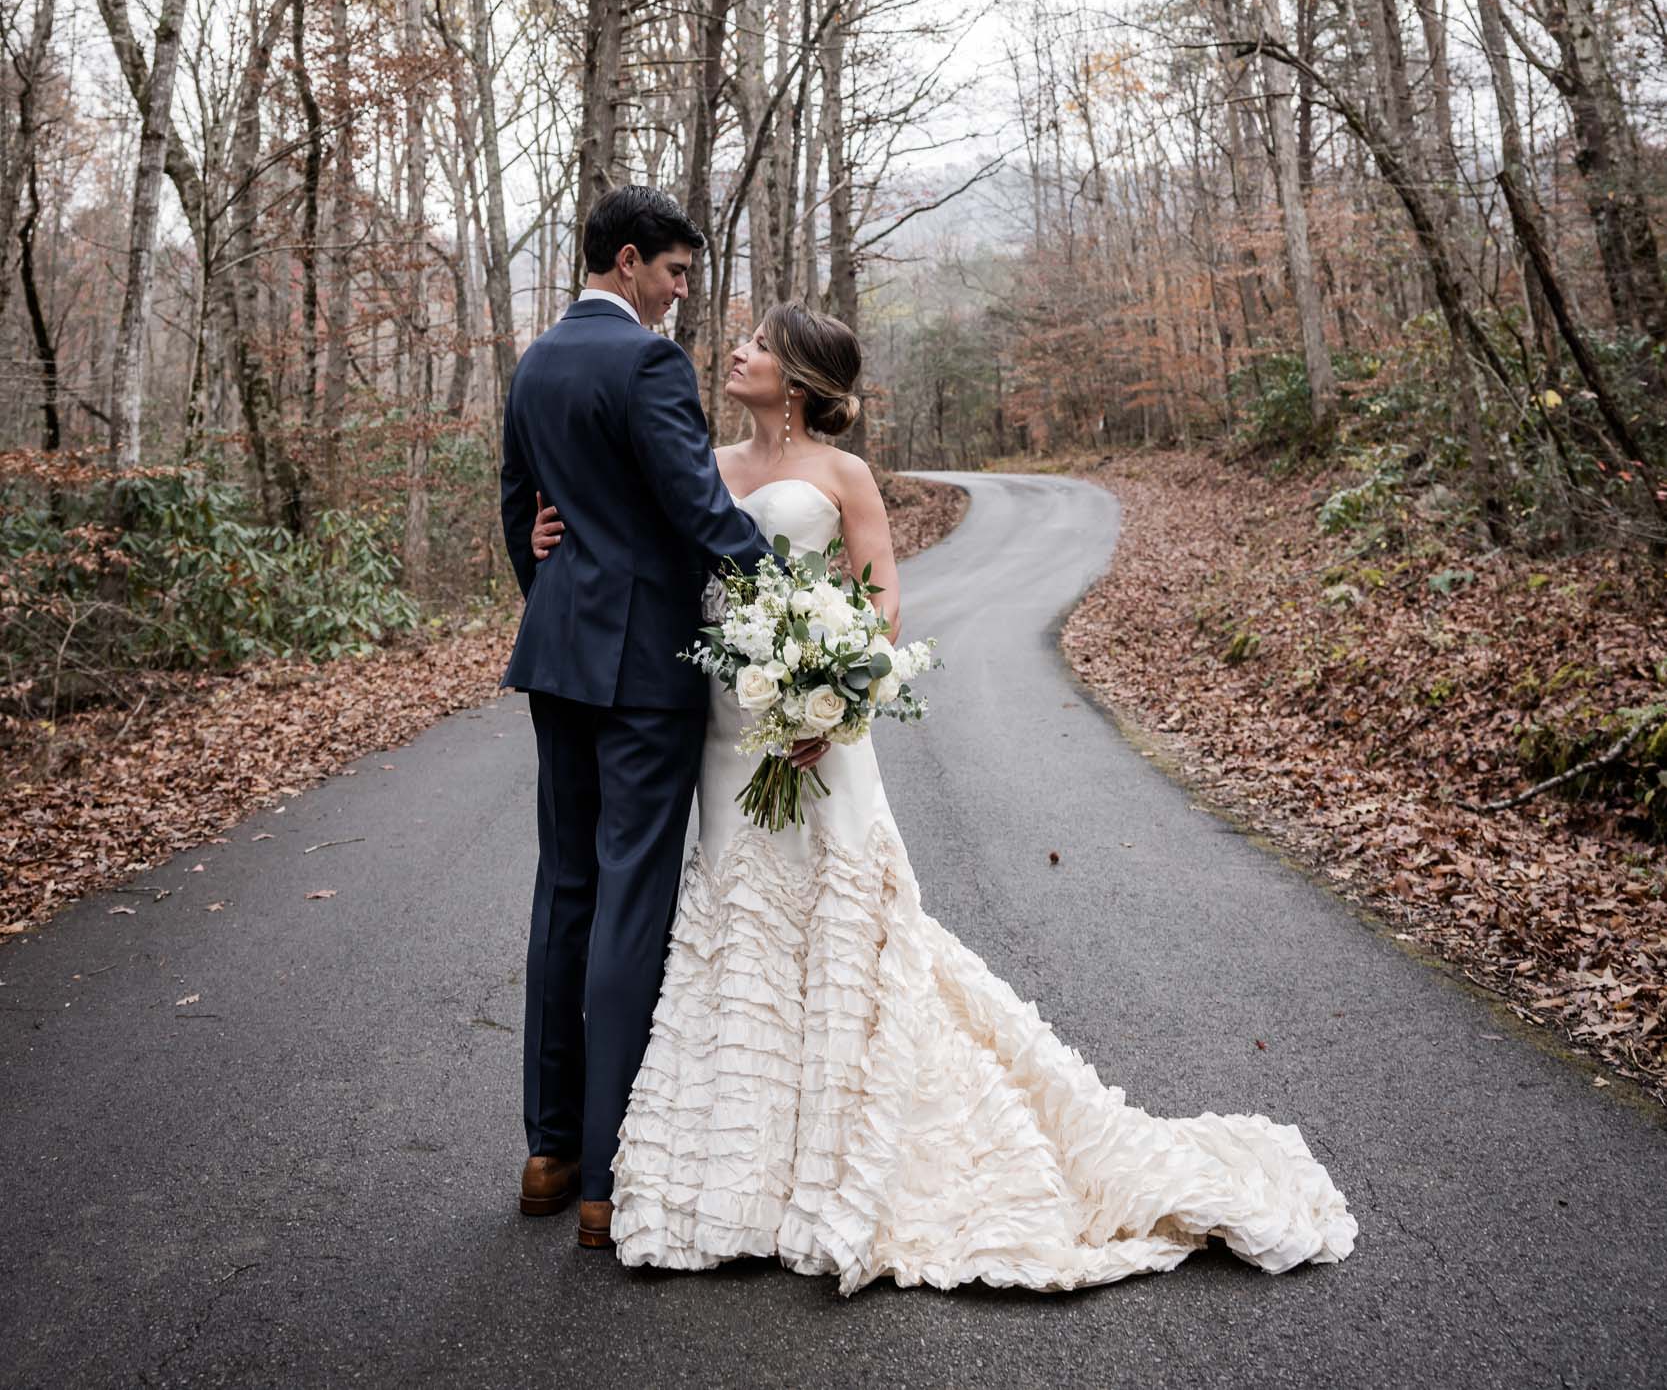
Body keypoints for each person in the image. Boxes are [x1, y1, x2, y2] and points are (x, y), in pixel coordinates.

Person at [528, 298, 1358, 1293]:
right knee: (734, 903)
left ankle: (848, 1136)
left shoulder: (842, 475)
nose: (734, 351)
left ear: (792, 378)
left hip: (813, 726)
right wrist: (551, 535)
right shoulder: (698, 460)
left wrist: (827, 696)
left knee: (836, 903)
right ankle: (741, 1146)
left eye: (754, 344)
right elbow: (635, 538)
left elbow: (879, 605)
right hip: (721, 718)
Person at [500, 183, 795, 1250]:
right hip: (639, 670)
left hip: (559, 657)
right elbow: (697, 506)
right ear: (627, 261)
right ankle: (608, 1168)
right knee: (630, 893)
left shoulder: (534, 361)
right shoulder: (645, 362)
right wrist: (796, 604)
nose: (680, 296)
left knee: (564, 888)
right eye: (673, 273)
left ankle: (546, 1150)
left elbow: (516, 511)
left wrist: (558, 596)